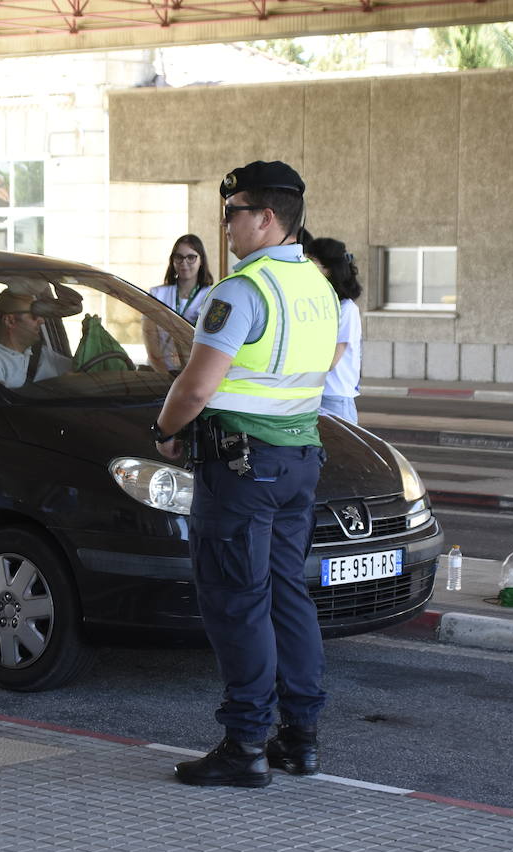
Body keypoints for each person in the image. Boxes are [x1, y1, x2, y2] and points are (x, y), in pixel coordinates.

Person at [153, 160, 339, 788]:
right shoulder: (318, 286)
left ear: (266, 216)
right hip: (299, 461)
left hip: (241, 466)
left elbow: (197, 382)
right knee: (288, 593)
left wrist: (167, 430)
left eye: (233, 212)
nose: (225, 226)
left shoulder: (241, 290)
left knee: (237, 600)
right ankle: (301, 738)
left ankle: (245, 745)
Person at [303, 236, 363, 423]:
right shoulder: (323, 305)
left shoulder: (346, 309)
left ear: (328, 270)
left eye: (311, 262)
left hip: (335, 399)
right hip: (316, 395)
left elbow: (331, 359)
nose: (305, 268)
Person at [0, 288, 72, 388]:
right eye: (35, 315)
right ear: (10, 321)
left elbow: (77, 372)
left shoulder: (40, 353)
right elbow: (0, 399)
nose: (42, 321)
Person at [145, 234, 214, 373]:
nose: (184, 263)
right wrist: (164, 374)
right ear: (172, 261)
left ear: (201, 260)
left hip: (196, 372)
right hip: (160, 373)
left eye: (191, 257)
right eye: (179, 257)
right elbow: (150, 338)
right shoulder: (157, 294)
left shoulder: (212, 295)